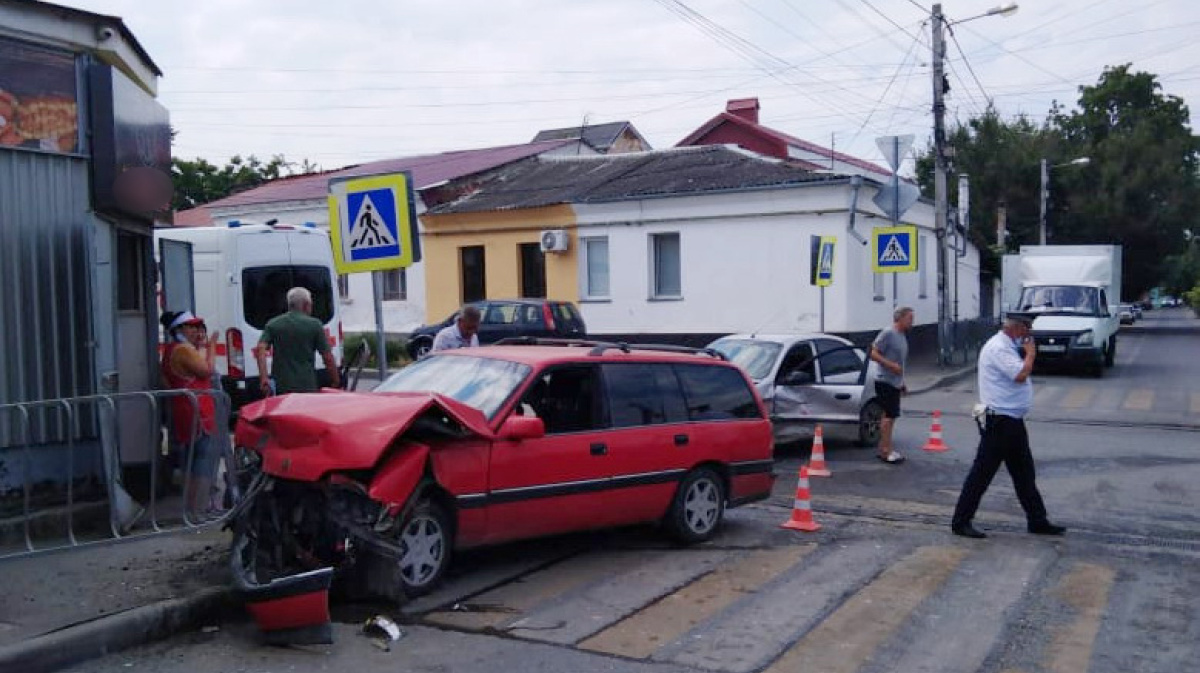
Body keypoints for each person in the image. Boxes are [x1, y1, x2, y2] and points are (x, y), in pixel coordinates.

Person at [950, 313, 1066, 539]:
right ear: (1017, 327)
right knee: (981, 473)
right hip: (1000, 420)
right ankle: (961, 521)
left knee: (1024, 472)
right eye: (1027, 328)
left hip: (1011, 419)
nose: (1029, 333)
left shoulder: (1007, 344)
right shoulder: (998, 348)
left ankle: (1037, 520)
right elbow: (1020, 375)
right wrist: (1031, 354)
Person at [160, 310, 219, 515]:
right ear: (180, 329)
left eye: (197, 327)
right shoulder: (182, 350)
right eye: (191, 327)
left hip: (188, 410)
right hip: (197, 412)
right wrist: (211, 347)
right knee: (201, 461)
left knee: (193, 460)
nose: (196, 331)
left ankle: (195, 507)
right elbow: (206, 370)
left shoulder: (172, 349)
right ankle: (198, 509)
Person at [256, 287, 339, 396]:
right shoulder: (315, 325)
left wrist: (264, 378)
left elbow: (260, 348)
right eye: (311, 305)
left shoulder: (273, 324)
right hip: (307, 386)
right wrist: (335, 380)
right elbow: (327, 357)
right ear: (306, 305)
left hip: (282, 386)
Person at [869, 306, 914, 464]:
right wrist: (890, 365)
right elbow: (873, 353)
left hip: (894, 382)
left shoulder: (902, 335)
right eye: (909, 318)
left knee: (890, 416)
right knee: (889, 416)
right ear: (900, 318)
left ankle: (885, 448)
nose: (912, 322)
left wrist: (902, 382)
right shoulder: (888, 333)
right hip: (884, 380)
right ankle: (886, 452)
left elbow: (900, 362)